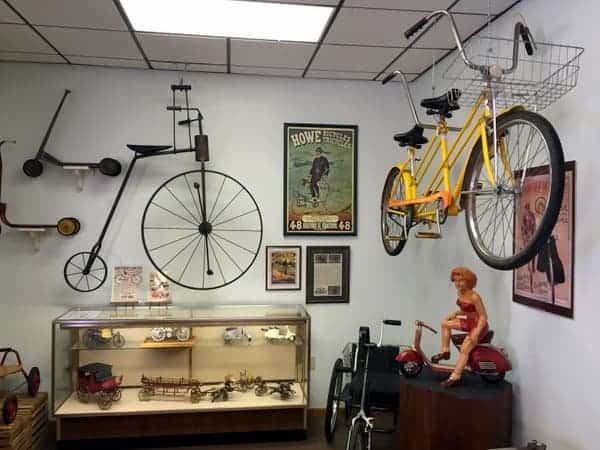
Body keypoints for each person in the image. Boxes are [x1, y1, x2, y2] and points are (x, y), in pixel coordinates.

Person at [431, 267, 489, 387]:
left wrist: (477, 331)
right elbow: (468, 311)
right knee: (445, 323)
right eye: (456, 281)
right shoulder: (460, 293)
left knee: (465, 348)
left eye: (461, 280)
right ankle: (445, 351)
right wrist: (456, 313)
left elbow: (483, 316)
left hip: (479, 325)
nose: (458, 284)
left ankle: (455, 376)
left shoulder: (475, 297)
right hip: (469, 322)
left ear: (468, 281)